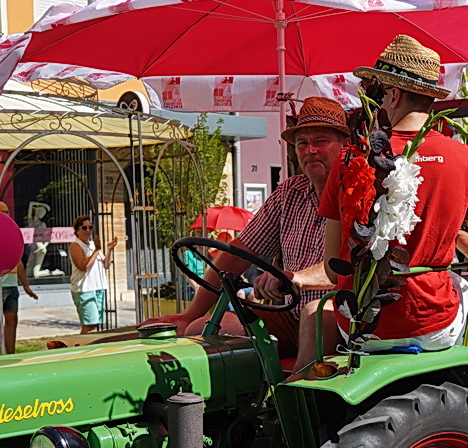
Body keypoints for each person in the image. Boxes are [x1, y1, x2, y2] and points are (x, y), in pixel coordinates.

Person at [284, 36, 468, 369]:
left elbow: (334, 270)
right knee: (462, 286)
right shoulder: (466, 158)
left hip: (360, 325)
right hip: (432, 324)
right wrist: (458, 238)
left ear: (393, 94)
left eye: (378, 91)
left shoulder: (350, 159)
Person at [149, 97, 347, 357]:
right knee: (204, 329)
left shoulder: (359, 194)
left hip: (341, 319)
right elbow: (238, 254)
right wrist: (190, 315)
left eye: (320, 141)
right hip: (290, 316)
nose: (310, 150)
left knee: (316, 316)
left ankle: (301, 383)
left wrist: (296, 278)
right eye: (302, 143)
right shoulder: (290, 193)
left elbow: (344, 266)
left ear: (345, 146)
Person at [0, 200, 38, 355]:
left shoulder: (11, 232)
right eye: (3, 212)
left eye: (7, 212)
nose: (6, 215)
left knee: (12, 319)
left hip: (11, 284)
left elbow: (17, 260)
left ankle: (10, 353)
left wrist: (25, 285)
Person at [68, 216, 114, 333]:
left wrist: (109, 249)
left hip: (98, 287)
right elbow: (83, 266)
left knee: (95, 323)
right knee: (89, 324)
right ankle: (80, 344)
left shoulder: (93, 245)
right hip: (84, 289)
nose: (88, 230)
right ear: (77, 230)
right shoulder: (76, 245)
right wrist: (96, 250)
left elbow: (106, 265)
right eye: (84, 228)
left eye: (90, 227)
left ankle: (86, 343)